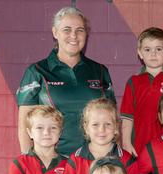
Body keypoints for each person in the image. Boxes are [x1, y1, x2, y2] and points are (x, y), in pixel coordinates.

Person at [16, 6, 115, 157]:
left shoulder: (100, 71)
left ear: (86, 34)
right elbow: (24, 123)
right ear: (55, 32)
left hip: (94, 161)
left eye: (80, 30)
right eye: (67, 30)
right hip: (53, 160)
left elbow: (112, 118)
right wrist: (30, 162)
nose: (74, 36)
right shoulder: (36, 71)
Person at [121, 27, 163, 157]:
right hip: (138, 147)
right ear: (140, 53)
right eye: (147, 49)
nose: (153, 54)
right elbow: (127, 117)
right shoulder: (133, 82)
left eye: (158, 49)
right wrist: (126, 143)